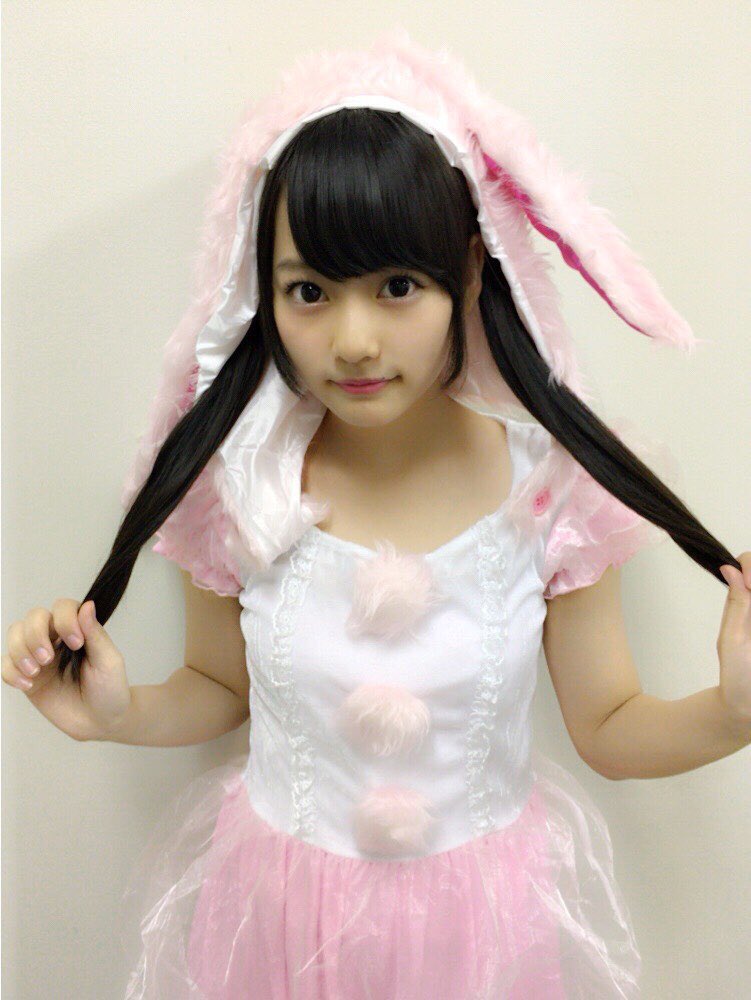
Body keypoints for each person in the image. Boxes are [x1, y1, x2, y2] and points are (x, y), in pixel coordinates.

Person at [4, 29, 750, 1000]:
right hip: (275, 918)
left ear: (469, 272)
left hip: (476, 934)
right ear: (259, 294)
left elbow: (609, 724)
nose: (353, 339)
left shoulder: (553, 488)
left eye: (397, 286)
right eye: (308, 291)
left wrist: (734, 710)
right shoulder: (240, 483)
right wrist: (118, 713)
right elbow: (217, 686)